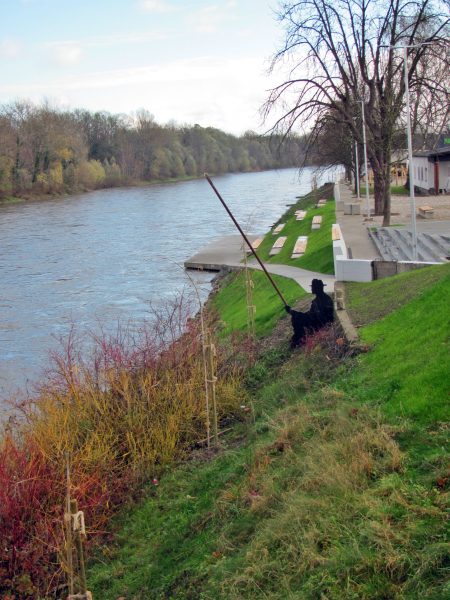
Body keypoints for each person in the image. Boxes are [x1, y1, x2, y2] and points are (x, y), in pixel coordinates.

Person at [285, 279, 334, 348]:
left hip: (321, 324)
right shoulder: (323, 298)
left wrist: (292, 312)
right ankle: (297, 337)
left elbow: (312, 317)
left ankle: (300, 340)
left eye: (312, 287)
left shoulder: (319, 302)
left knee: (296, 318)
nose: (311, 288)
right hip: (320, 322)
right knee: (297, 316)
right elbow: (311, 314)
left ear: (316, 288)